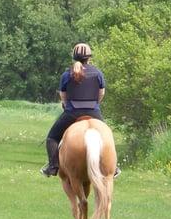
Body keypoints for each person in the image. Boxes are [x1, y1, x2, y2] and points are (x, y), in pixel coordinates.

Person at [40, 43, 119, 178]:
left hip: (72, 112)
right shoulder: (98, 73)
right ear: (89, 58)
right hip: (93, 112)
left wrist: (66, 105)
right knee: (107, 136)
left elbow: (63, 95)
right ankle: (114, 167)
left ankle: (53, 166)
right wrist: (94, 104)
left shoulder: (66, 74)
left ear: (74, 57)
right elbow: (101, 94)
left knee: (52, 137)